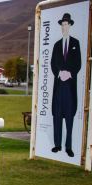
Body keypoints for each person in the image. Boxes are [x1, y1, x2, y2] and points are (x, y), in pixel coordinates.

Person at [50, 13, 81, 157]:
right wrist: (58, 73)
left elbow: (78, 63)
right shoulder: (56, 45)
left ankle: (68, 146)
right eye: (62, 25)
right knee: (57, 116)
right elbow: (52, 64)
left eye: (66, 24)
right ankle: (57, 145)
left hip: (69, 87)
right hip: (58, 88)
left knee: (69, 117)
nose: (64, 27)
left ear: (70, 25)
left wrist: (70, 73)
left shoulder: (75, 43)